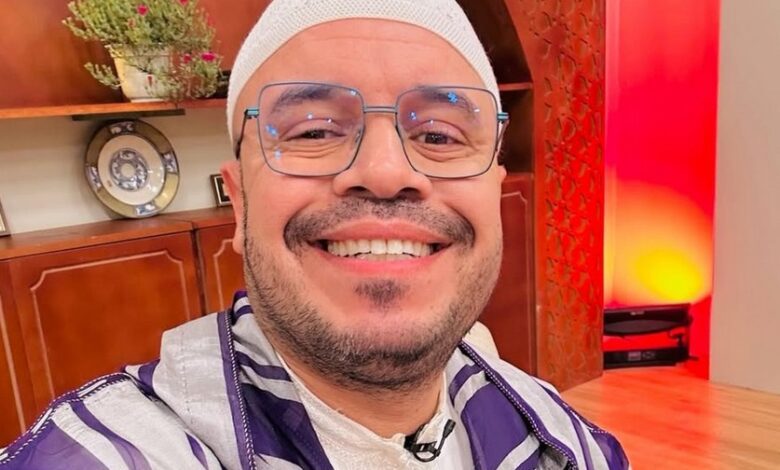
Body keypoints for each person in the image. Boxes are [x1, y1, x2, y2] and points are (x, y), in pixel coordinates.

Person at [0, 0, 629, 468]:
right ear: (239, 203)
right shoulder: (106, 455)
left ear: (494, 193)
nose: (385, 172)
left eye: (438, 135)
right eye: (314, 131)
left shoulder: (566, 442)